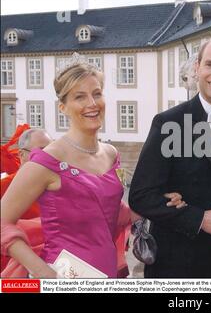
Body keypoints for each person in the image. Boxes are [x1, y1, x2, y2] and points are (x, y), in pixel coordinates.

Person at [129, 31, 211, 278]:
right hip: (177, 261)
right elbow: (140, 196)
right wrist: (198, 218)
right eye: (209, 64)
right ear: (198, 68)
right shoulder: (169, 122)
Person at [1, 60, 133, 278]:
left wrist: (162, 202)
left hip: (106, 275)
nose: (92, 103)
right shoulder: (46, 161)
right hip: (63, 278)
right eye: (79, 97)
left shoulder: (111, 154)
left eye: (97, 93)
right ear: (63, 107)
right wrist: (45, 274)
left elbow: (111, 213)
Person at [1, 128, 53, 274]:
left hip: (55, 263)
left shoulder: (57, 185)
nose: (47, 158)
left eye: (51, 152)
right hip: (13, 268)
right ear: (22, 155)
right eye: (40, 152)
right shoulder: (5, 186)